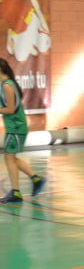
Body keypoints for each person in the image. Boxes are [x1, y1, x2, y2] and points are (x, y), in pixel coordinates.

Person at [0, 58, 46, 203]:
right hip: (14, 127)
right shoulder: (5, 84)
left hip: (16, 127)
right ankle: (36, 179)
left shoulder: (7, 86)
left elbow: (10, 109)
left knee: (9, 157)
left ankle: (16, 192)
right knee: (11, 158)